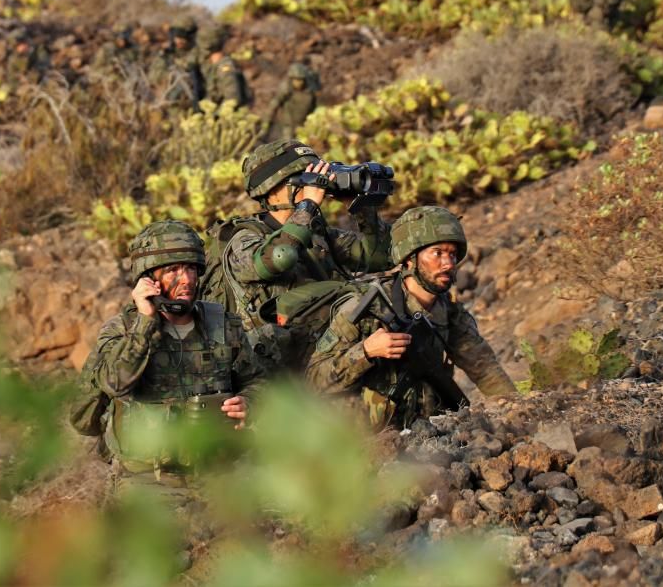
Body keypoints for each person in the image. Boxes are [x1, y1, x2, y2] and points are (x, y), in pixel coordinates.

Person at [80, 220, 275, 482]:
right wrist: (145, 323)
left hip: (220, 475)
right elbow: (114, 383)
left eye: (191, 269)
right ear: (148, 279)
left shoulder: (222, 324)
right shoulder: (123, 329)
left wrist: (248, 403)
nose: (186, 280)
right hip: (151, 482)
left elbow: (256, 381)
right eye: (172, 270)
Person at [305, 206, 516, 430]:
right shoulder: (365, 306)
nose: (448, 264)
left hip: (425, 433)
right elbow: (314, 380)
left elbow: (484, 369)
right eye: (438, 253)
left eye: (452, 254)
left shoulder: (449, 312)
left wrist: (517, 412)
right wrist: (365, 352)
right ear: (409, 259)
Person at [201, 139, 391, 368]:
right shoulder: (243, 238)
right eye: (304, 179)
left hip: (321, 356)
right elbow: (279, 257)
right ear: (273, 190)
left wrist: (361, 208)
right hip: (266, 367)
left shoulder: (317, 233)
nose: (314, 185)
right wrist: (308, 205)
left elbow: (378, 257)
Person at [150, 15, 205, 107]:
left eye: (182, 36)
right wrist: (171, 75)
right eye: (175, 36)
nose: (178, 40)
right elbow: (153, 76)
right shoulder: (167, 54)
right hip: (173, 104)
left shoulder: (200, 53)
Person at [264, 63, 318, 141]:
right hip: (288, 126)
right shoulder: (286, 89)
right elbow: (274, 104)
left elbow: (313, 109)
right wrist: (267, 122)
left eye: (301, 80)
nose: (299, 83)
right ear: (291, 79)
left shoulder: (309, 92)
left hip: (303, 127)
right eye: (296, 80)